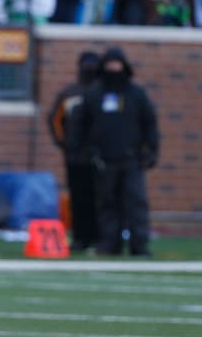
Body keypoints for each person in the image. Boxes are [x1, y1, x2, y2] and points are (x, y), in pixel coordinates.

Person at [68, 46, 158, 257]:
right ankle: (110, 243)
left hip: (131, 158)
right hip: (103, 159)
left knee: (136, 203)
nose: (113, 69)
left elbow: (149, 123)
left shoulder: (136, 94)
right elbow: (79, 125)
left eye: (117, 64)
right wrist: (83, 150)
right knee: (107, 205)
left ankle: (139, 244)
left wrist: (152, 149)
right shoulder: (93, 95)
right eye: (110, 64)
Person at [48, 51, 101, 251]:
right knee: (78, 199)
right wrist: (65, 143)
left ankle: (100, 237)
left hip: (99, 157)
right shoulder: (69, 93)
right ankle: (80, 237)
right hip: (76, 157)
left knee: (100, 199)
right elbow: (55, 120)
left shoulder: (103, 92)